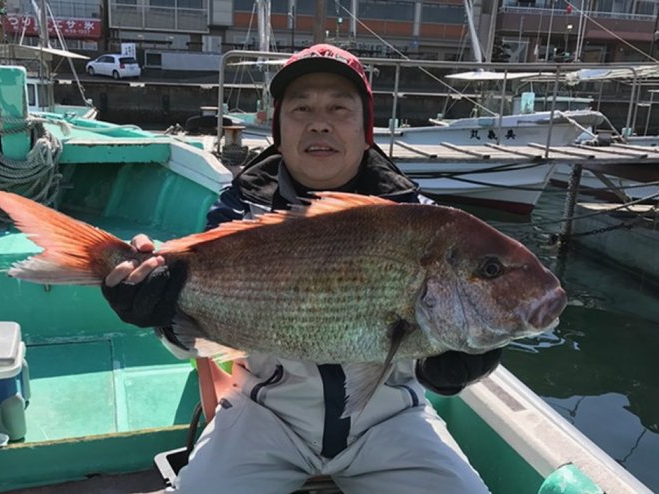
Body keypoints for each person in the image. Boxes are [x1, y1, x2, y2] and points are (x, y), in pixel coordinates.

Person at [103, 44, 501, 493]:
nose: (319, 122)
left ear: (367, 131)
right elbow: (198, 335)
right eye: (301, 108)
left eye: (339, 108)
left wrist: (461, 361)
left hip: (392, 421)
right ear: (278, 130)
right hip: (265, 417)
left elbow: (434, 341)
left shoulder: (423, 223)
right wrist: (158, 311)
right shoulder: (238, 215)